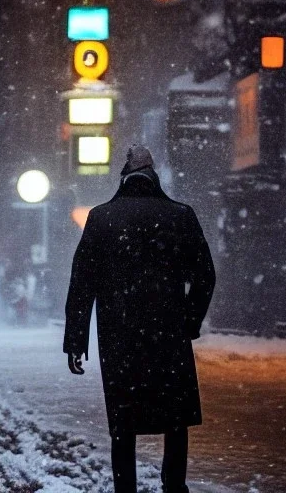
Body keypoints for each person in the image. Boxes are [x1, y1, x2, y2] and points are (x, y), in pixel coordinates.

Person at [63, 144, 216, 493]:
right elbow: (206, 275)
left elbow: (82, 285)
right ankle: (174, 485)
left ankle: (125, 488)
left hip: (120, 337)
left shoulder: (101, 218)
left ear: (123, 178)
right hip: (168, 336)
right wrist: (188, 322)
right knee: (174, 420)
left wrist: (76, 342)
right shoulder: (181, 215)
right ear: (154, 177)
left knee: (124, 423)